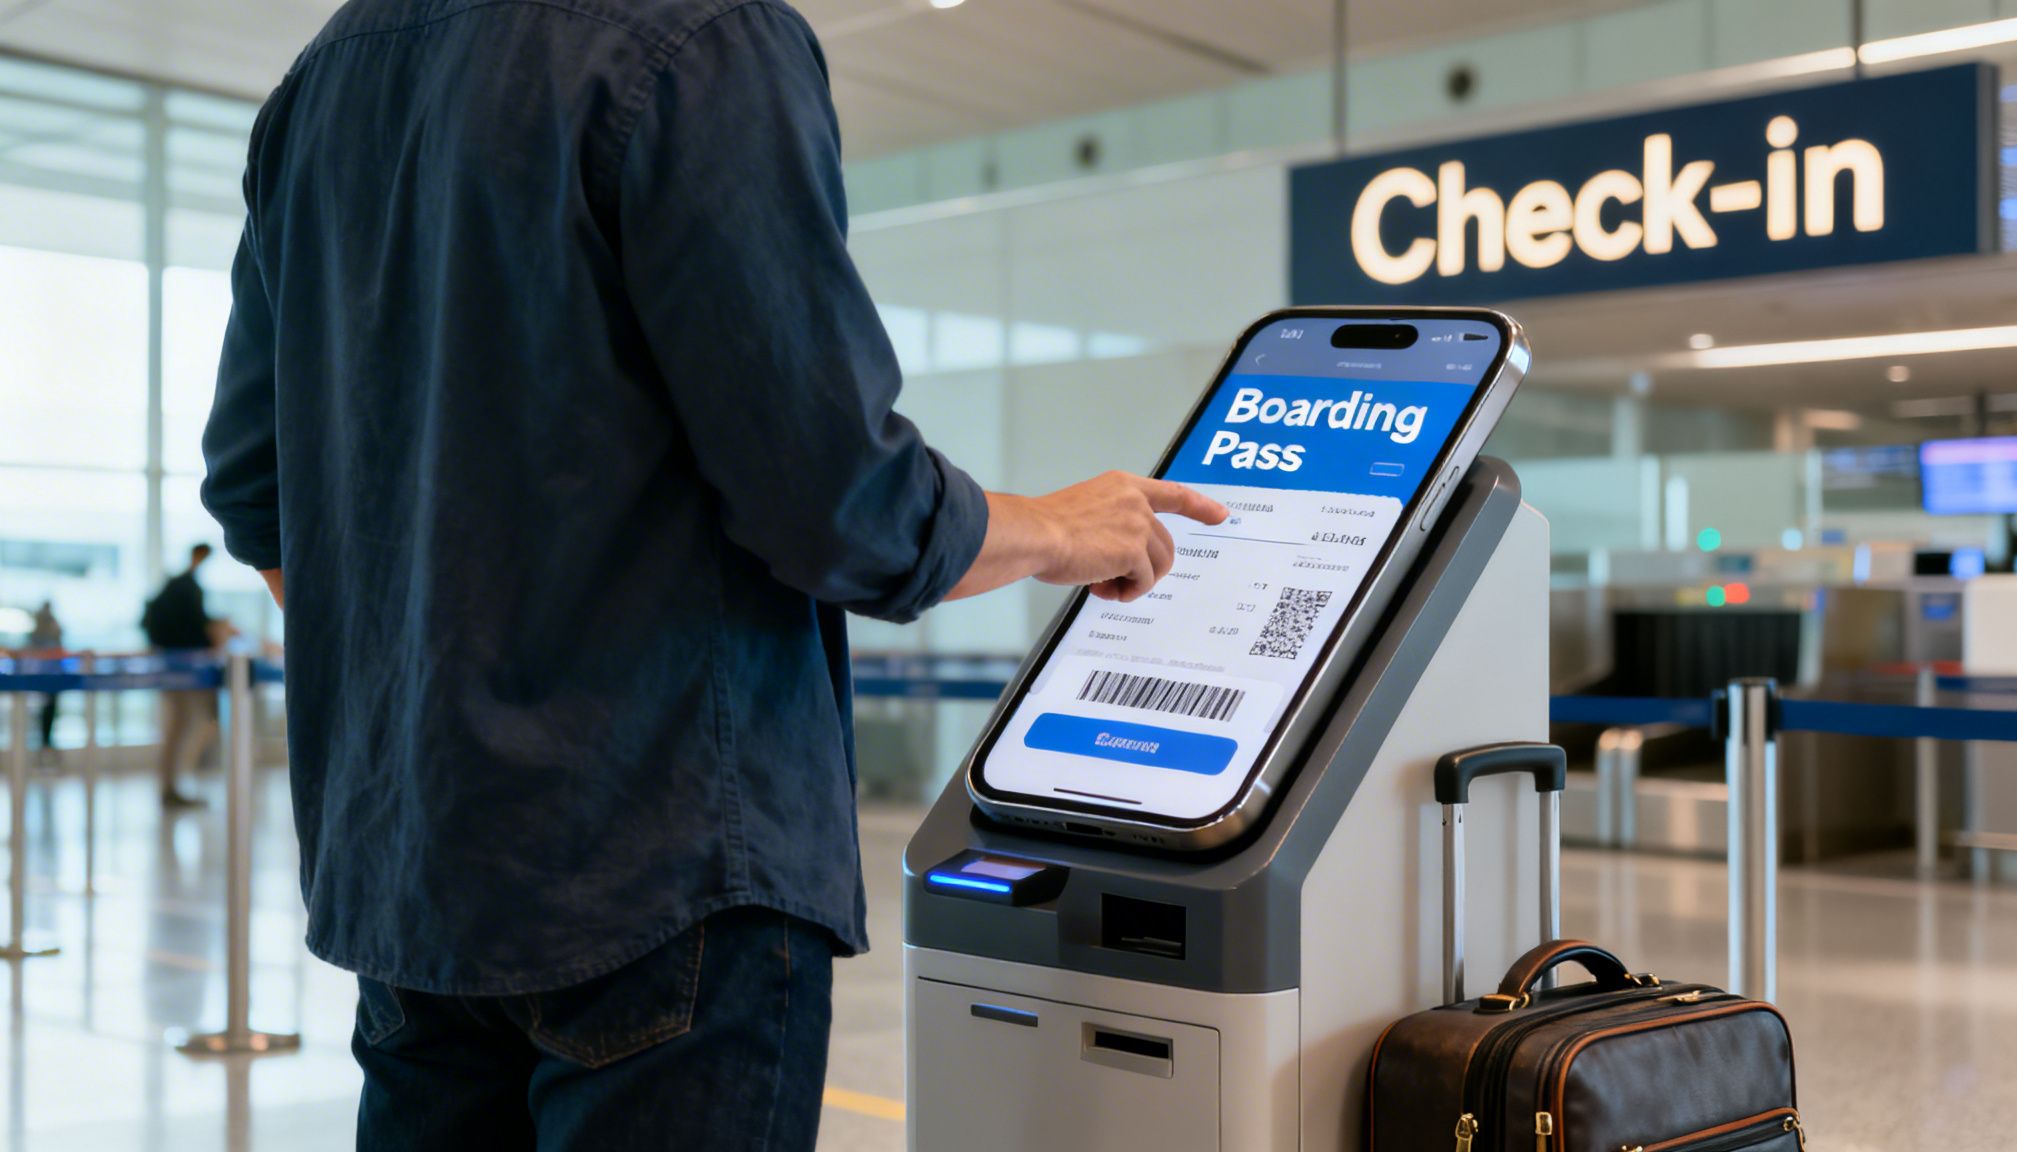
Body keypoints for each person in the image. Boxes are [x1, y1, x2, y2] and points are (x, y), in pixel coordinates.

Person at [199, 1, 1227, 1149]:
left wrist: (444, 693)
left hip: (415, 886)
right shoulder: (698, 38)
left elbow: (257, 496)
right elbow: (834, 501)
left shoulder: (324, 79)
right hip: (659, 875)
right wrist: (1050, 529)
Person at [142, 544, 223, 809]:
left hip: (174, 666)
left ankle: (172, 785)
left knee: (180, 726)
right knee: (185, 726)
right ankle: (171, 786)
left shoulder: (176, 585)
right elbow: (196, 625)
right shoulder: (186, 586)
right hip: (183, 670)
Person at [28, 601, 62, 764]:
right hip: (44, 679)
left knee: (48, 714)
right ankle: (43, 747)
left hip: (50, 679)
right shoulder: (42, 632)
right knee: (43, 714)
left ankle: (46, 747)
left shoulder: (50, 630)